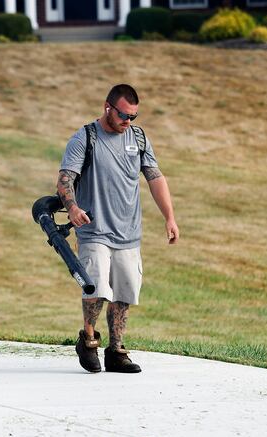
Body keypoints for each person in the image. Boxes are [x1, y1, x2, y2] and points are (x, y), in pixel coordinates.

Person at [57, 84, 179, 373]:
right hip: (94, 230)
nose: (128, 121)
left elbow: (155, 177)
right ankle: (88, 340)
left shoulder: (138, 138)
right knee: (97, 289)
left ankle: (116, 351)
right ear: (107, 107)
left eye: (133, 116)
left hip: (128, 232)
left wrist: (170, 217)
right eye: (123, 115)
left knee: (125, 292)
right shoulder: (85, 138)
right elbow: (65, 179)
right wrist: (72, 208)